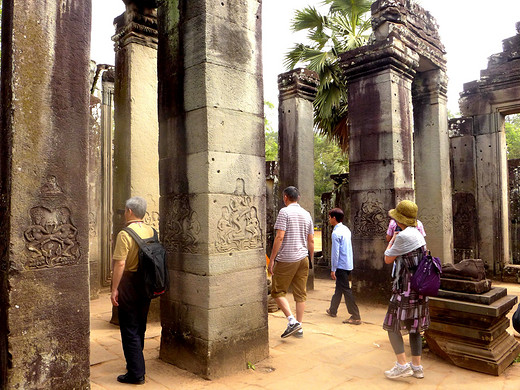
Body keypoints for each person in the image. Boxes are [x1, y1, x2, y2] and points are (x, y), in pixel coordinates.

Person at [383, 200, 429, 380]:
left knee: (391, 325)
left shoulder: (403, 236)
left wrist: (393, 239)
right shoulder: (418, 234)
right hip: (420, 288)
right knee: (415, 328)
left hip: (405, 288)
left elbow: (387, 258)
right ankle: (417, 367)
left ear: (399, 219)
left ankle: (402, 364)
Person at [111, 196, 154, 385]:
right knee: (140, 324)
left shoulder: (125, 234)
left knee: (129, 327)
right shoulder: (152, 230)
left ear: (129, 212)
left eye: (124, 211)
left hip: (129, 282)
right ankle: (136, 362)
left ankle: (136, 373)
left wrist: (114, 289)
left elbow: (120, 263)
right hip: (146, 283)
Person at [268, 186, 314, 339]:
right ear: (298, 198)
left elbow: (280, 236)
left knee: (277, 291)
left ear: (285, 197)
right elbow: (311, 240)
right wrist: (310, 259)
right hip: (303, 258)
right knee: (300, 294)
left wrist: (272, 258)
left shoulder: (284, 212)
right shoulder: (306, 214)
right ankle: (299, 327)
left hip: (287, 258)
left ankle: (292, 321)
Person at [325, 208, 361, 325]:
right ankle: (332, 309)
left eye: (330, 217)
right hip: (348, 263)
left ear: (334, 218)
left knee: (345, 289)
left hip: (341, 265)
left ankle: (355, 315)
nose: (329, 219)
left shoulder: (336, 233)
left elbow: (335, 253)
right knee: (339, 288)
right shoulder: (345, 229)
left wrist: (333, 269)